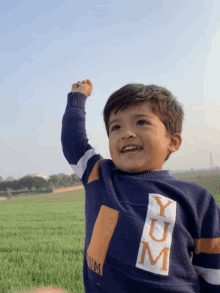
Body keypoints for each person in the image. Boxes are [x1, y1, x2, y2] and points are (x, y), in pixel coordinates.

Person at [61, 79, 220, 292]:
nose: (126, 133)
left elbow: (212, 267)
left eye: (141, 122)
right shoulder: (99, 175)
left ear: (172, 141)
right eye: (115, 127)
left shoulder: (196, 197)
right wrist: (77, 98)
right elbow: (73, 141)